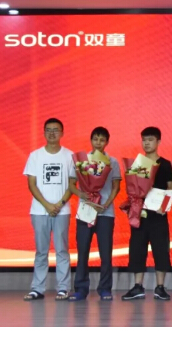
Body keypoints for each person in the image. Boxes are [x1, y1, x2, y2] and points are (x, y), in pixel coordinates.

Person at [22, 118, 75, 301]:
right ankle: (37, 289)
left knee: (62, 250)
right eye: (48, 130)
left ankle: (63, 288)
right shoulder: (35, 156)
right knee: (41, 251)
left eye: (56, 130)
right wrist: (47, 205)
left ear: (62, 133)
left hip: (62, 211)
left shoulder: (70, 156)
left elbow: (73, 184)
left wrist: (59, 204)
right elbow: (32, 184)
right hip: (39, 211)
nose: (52, 133)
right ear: (44, 132)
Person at [68, 127, 121, 301]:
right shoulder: (81, 161)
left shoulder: (112, 162)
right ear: (91, 140)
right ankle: (81, 288)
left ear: (107, 142)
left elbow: (116, 187)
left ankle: (105, 289)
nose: (98, 143)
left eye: (102, 140)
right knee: (83, 251)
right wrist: (81, 194)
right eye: (95, 139)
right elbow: (71, 185)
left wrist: (106, 204)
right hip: (86, 211)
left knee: (105, 253)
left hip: (105, 213)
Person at [122, 127, 172, 301]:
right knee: (137, 249)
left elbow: (171, 188)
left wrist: (164, 207)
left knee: (161, 250)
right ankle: (138, 286)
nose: (147, 143)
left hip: (158, 215)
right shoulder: (137, 164)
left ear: (158, 142)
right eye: (144, 140)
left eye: (150, 140)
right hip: (140, 214)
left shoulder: (165, 164)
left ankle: (160, 287)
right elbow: (131, 188)